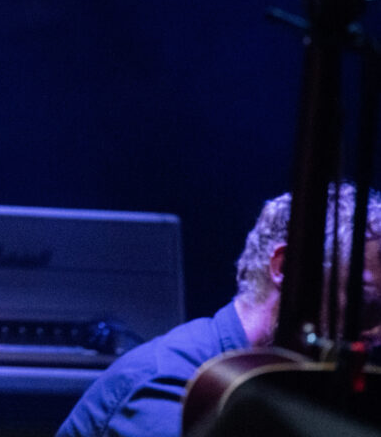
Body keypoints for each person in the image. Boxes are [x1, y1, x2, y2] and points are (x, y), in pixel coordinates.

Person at [56, 183, 381, 437]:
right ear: (287, 268)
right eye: (367, 306)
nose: (378, 333)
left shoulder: (285, 386)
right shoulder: (169, 385)